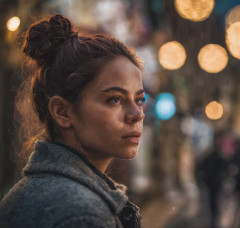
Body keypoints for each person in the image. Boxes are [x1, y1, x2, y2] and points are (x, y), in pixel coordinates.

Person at [0, 14, 145, 228]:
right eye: (114, 99)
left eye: (140, 100)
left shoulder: (37, 191)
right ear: (63, 113)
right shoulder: (82, 214)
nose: (137, 114)